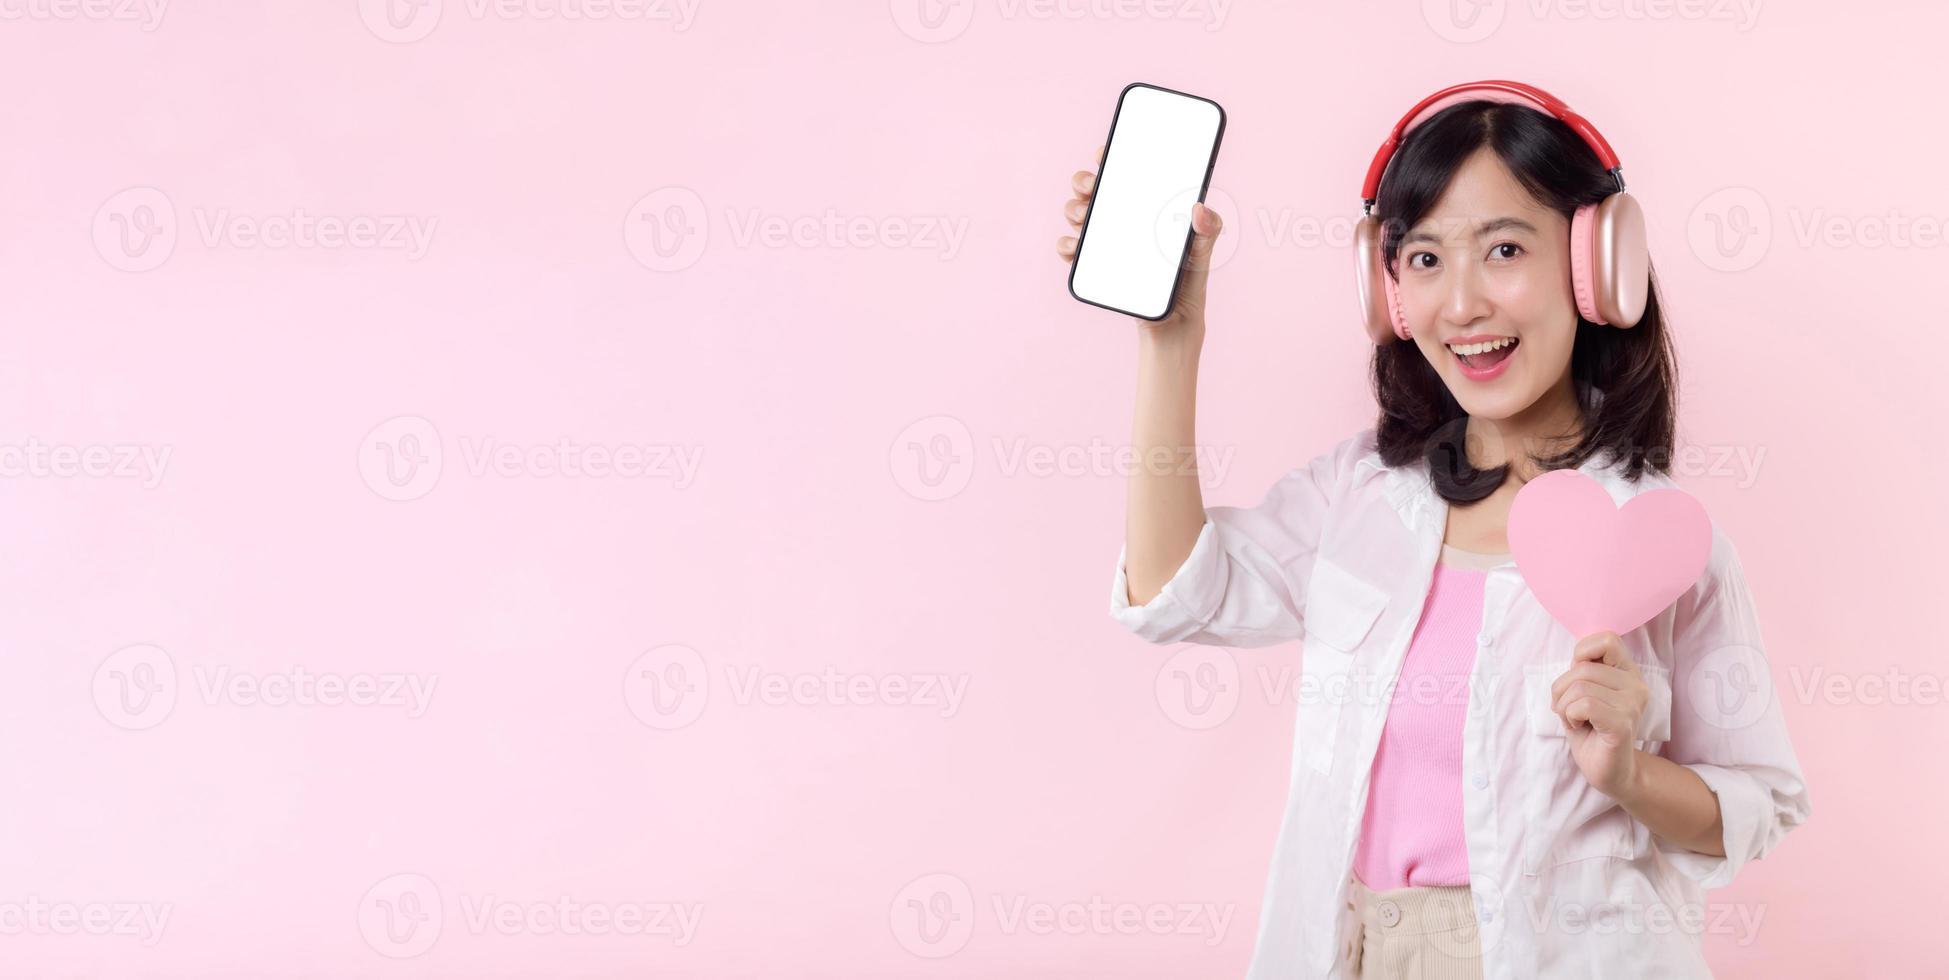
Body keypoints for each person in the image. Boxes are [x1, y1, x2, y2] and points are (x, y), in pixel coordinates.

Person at [1055, 81, 1810, 979]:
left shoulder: (1658, 542)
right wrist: (1170, 343)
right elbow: (1175, 591)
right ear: (1387, 290)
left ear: (1596, 264)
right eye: (1421, 259)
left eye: (1501, 249)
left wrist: (1628, 774)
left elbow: (1756, 802)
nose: (1460, 306)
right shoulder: (1361, 496)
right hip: (1356, 950)